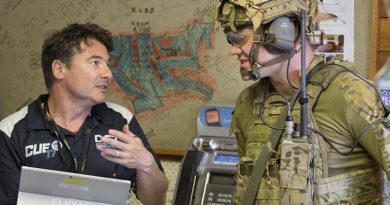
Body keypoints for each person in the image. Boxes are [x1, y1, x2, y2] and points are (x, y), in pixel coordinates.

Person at [217, 0, 390, 204]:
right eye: (231, 41)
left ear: (284, 33)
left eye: (240, 39)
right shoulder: (248, 103)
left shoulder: (348, 93)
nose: (233, 51)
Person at [0, 23, 168, 205]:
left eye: (107, 64)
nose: (108, 74)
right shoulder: (11, 131)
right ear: (59, 69)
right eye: (95, 62)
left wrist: (146, 164)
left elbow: (156, 201)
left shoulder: (121, 119)